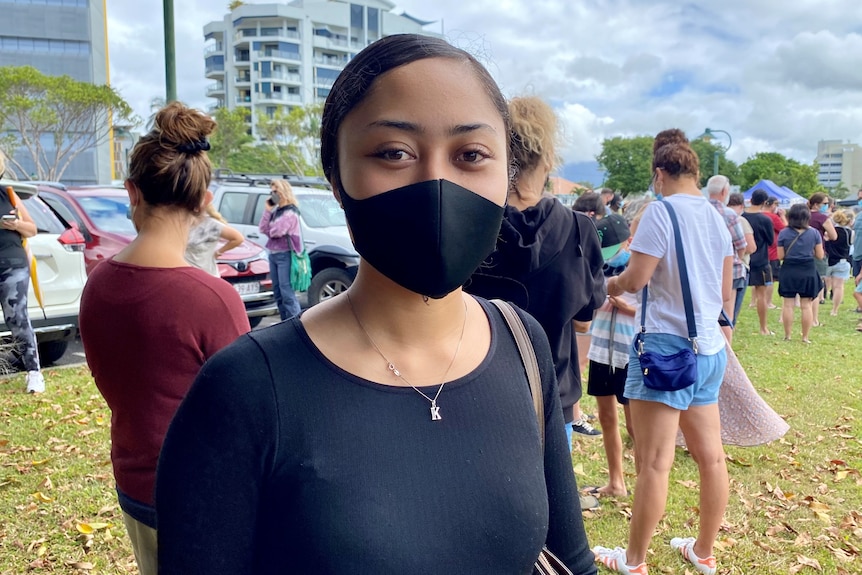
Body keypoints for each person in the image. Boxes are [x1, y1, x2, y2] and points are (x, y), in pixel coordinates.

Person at [156, 35, 598, 575]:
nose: (437, 183)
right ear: (336, 176)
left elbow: (572, 561)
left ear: (507, 174)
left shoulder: (522, 344)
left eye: (471, 155)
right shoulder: (246, 389)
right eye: (393, 153)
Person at [79, 102, 250, 575]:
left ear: (132, 191)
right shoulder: (211, 298)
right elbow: (246, 413)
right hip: (204, 497)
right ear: (204, 200)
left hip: (135, 486)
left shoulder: (98, 284)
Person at [594, 129, 732, 575]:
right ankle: (704, 551)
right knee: (711, 457)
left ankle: (633, 561)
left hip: (665, 351)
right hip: (709, 348)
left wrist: (606, 286)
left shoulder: (659, 213)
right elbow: (725, 292)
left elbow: (635, 279)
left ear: (659, 174)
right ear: (695, 171)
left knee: (654, 463)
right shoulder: (718, 216)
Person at [467, 96, 605, 444]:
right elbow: (583, 321)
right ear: (548, 159)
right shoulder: (578, 231)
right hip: (552, 394)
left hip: (474, 394)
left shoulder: (469, 228)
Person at [584, 209, 637, 498]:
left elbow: (653, 310)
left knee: (634, 424)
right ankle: (616, 481)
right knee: (606, 418)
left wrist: (627, 307)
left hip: (629, 354)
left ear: (628, 243)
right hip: (601, 351)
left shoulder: (641, 268)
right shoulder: (598, 268)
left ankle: (645, 484)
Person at [0, 151, 45, 393]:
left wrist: (15, 224)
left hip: (12, 264)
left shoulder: (8, 193)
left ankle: (34, 373)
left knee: (17, 318)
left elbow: (32, 229)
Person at [705, 175, 749, 344]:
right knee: (726, 315)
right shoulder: (728, 214)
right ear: (724, 191)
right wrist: (737, 257)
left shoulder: (699, 210)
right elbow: (741, 243)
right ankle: (726, 356)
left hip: (703, 268)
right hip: (728, 269)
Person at [776, 203, 823, 343]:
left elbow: (780, 256)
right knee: (806, 305)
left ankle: (788, 335)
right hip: (807, 268)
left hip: (789, 269)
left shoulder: (784, 233)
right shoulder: (814, 233)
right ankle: (805, 337)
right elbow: (820, 255)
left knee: (788, 304)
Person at [259, 179, 303, 320]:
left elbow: (276, 231)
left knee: (287, 293)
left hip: (286, 255)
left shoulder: (291, 212)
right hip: (273, 254)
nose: (273, 193)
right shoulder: (276, 211)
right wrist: (267, 210)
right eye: (271, 191)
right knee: (278, 293)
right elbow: (263, 228)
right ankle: (285, 323)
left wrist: (270, 228)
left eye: (276, 190)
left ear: (283, 191)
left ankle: (295, 324)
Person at [741, 189, 776, 335]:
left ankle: (732, 326)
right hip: (760, 260)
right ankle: (763, 328)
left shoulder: (741, 217)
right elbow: (770, 240)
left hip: (742, 259)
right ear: (764, 202)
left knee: (734, 294)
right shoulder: (765, 219)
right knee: (761, 295)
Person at [185, 203, 244, 276]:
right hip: (188, 273)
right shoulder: (182, 224)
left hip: (206, 273)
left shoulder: (211, 224)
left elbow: (238, 238)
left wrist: (219, 252)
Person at [807, 192, 837, 326]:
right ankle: (814, 319)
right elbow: (834, 235)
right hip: (817, 253)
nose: (827, 206)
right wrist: (825, 236)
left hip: (800, 253)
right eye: (825, 203)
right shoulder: (822, 218)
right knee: (817, 286)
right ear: (816, 204)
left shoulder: (803, 215)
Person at [727, 192, 755, 325]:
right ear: (741, 205)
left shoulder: (714, 216)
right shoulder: (740, 220)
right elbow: (750, 247)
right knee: (731, 311)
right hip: (738, 267)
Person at [824, 209, 852, 316]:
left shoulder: (829, 231)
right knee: (838, 287)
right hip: (842, 261)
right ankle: (834, 310)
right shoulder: (849, 232)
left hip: (828, 260)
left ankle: (820, 299)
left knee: (821, 283)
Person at [762, 197, 787, 308]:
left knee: (759, 279)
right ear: (772, 205)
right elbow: (785, 229)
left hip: (759, 251)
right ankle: (768, 302)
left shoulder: (759, 215)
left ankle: (755, 301)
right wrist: (783, 216)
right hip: (772, 252)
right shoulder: (773, 217)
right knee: (770, 279)